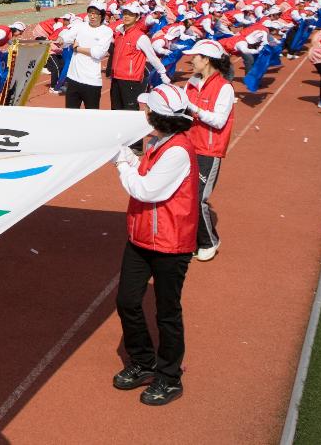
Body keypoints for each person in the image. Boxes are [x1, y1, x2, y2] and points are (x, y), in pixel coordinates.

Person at [110, 83, 198, 406]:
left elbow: (146, 190)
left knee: (167, 312)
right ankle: (144, 361)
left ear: (159, 117)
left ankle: (170, 376)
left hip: (171, 244)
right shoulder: (160, 142)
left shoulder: (177, 151)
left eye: (148, 109)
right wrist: (127, 159)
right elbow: (144, 169)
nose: (144, 112)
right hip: (142, 237)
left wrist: (121, 164)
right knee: (128, 301)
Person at [182, 39, 235, 262]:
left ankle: (209, 240)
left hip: (209, 150)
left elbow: (219, 121)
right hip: (188, 146)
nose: (191, 60)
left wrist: (193, 109)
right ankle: (191, 240)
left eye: (195, 56)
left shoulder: (224, 88)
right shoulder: (192, 82)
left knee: (197, 198)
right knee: (183, 196)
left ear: (207, 60)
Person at [109, 3, 169, 112]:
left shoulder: (141, 37)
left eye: (131, 14)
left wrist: (162, 72)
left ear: (137, 18)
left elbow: (152, 57)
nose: (126, 16)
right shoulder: (119, 33)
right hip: (116, 79)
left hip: (131, 81)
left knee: (130, 111)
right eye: (125, 13)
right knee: (115, 111)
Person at [61, 1, 114, 110]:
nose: (92, 16)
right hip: (73, 78)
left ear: (102, 15)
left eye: (96, 13)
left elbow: (98, 53)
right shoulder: (80, 26)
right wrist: (61, 39)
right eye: (90, 13)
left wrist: (77, 48)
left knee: (91, 117)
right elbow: (67, 38)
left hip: (91, 82)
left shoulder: (106, 31)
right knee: (70, 115)